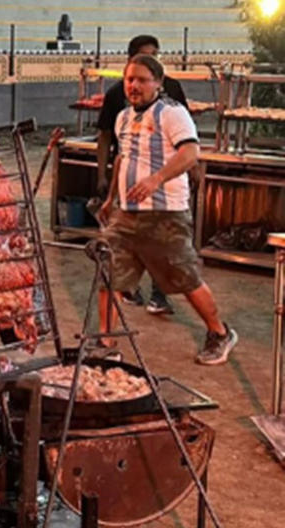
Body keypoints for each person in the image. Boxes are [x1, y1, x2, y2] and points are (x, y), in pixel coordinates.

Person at [98, 54, 238, 366]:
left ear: (158, 83)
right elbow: (123, 158)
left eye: (142, 79)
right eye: (129, 79)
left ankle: (219, 333)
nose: (134, 85)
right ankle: (105, 342)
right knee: (108, 274)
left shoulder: (172, 114)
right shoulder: (123, 117)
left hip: (165, 214)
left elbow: (190, 154)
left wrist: (156, 179)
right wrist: (111, 198)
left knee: (183, 278)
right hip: (126, 214)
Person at [96, 34, 189, 315]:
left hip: (164, 200)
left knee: (174, 265)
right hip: (129, 198)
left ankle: (164, 299)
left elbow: (188, 144)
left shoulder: (172, 98)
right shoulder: (118, 100)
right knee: (112, 265)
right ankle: (107, 336)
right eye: (147, 55)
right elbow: (110, 142)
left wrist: (163, 177)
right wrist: (107, 183)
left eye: (156, 56)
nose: (135, 85)